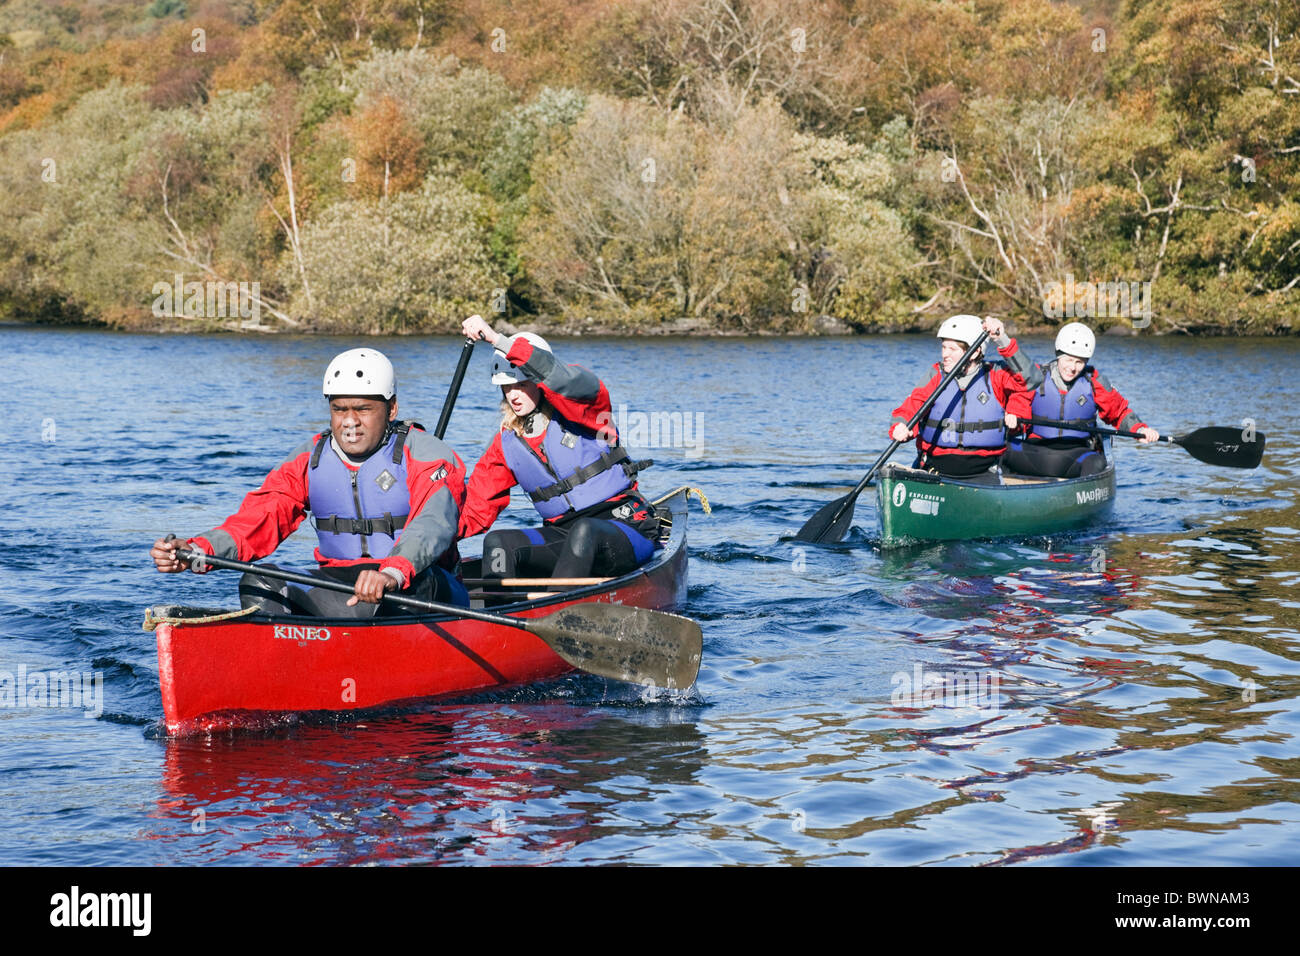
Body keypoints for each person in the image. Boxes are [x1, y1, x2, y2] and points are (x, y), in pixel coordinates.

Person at [149, 348, 469, 616]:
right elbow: (261, 517)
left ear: (392, 408)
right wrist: (198, 549)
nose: (350, 421)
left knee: (410, 585)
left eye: (363, 409)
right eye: (339, 409)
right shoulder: (309, 458)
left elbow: (433, 523)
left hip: (418, 583)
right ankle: (282, 668)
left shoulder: (428, 454)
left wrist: (391, 573)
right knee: (257, 581)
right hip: (342, 581)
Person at [457, 315, 659, 580]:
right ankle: (497, 615)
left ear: (540, 383)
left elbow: (560, 376)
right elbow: (474, 509)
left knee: (585, 530)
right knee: (498, 544)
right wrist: (422, 535)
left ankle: (557, 606)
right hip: (563, 535)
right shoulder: (505, 444)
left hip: (624, 526)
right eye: (507, 387)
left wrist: (497, 340)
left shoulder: (588, 407)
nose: (513, 395)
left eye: (521, 385)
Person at [888, 314, 1037, 479]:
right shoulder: (936, 374)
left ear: (974, 353)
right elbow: (913, 404)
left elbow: (1032, 380)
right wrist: (900, 425)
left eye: (952, 349)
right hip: (935, 467)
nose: (945, 354)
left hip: (983, 471)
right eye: (944, 347)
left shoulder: (996, 375)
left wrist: (1002, 339)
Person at [1003, 322, 1158, 478]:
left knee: (1097, 463)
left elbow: (1119, 413)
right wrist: (1013, 417)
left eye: (1079, 362)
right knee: (997, 448)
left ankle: (1081, 493)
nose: (1073, 368)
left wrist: (1139, 430)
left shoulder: (1094, 382)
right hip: (1035, 452)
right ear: (1058, 355)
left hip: (1077, 455)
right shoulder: (1035, 377)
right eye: (1069, 360)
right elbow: (1018, 403)